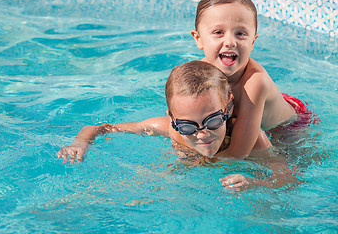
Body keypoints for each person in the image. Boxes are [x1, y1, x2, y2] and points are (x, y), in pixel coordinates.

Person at [58, 61, 275, 191]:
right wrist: (79, 144)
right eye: (188, 126)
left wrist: (254, 182)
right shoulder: (169, 129)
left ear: (228, 107)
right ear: (172, 118)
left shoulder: (252, 140)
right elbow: (101, 128)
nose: (201, 134)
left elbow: (288, 176)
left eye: (213, 121)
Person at [190, 0, 315, 159]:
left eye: (240, 34)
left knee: (288, 163)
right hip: (254, 110)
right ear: (199, 39)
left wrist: (199, 164)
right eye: (218, 32)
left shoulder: (255, 83)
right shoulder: (197, 73)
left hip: (288, 126)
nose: (230, 42)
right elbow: (180, 119)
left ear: (253, 42)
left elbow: (238, 153)